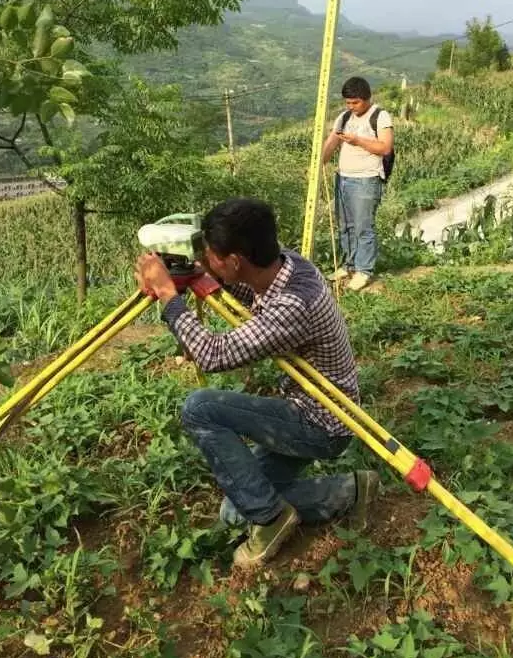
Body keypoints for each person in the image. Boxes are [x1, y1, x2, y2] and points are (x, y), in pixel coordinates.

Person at [135, 198, 379, 569]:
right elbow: (251, 292)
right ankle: (350, 490)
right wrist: (201, 277)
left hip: (320, 421)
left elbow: (213, 355)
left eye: (212, 255)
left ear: (235, 261)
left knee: (200, 408)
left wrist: (169, 296)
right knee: (235, 511)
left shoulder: (295, 304)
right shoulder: (287, 265)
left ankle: (270, 519)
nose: (205, 259)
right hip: (311, 406)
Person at [322, 76, 394, 291]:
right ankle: (349, 265)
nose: (351, 107)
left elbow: (385, 148)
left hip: (366, 180)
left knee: (364, 227)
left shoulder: (380, 116)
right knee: (346, 226)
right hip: (343, 178)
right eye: (348, 103)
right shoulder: (344, 118)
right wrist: (318, 163)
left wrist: (358, 140)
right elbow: (332, 142)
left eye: (355, 102)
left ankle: (364, 270)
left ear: (367, 98)